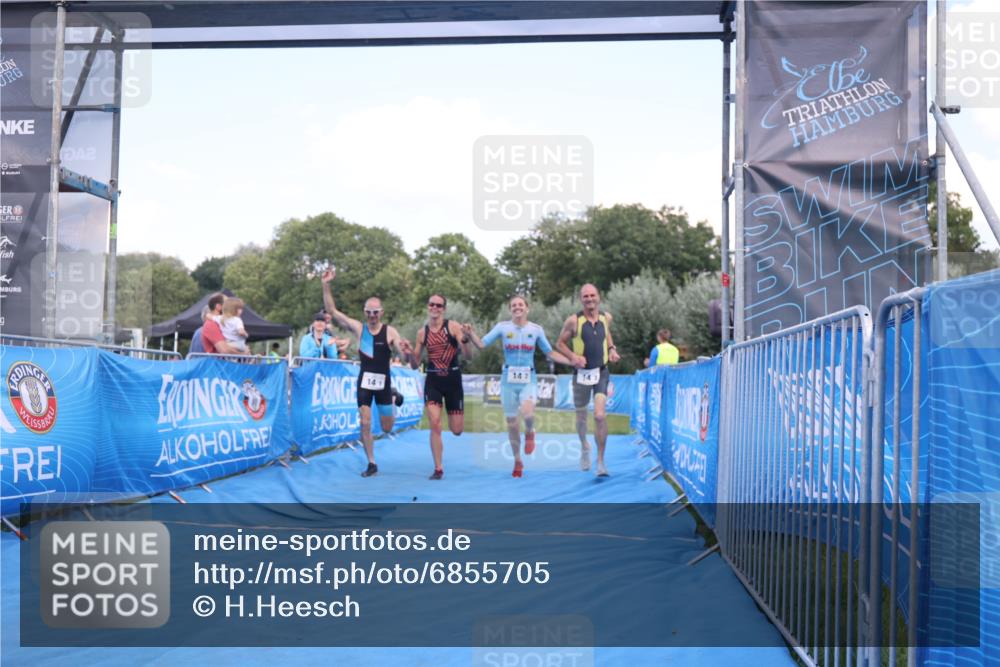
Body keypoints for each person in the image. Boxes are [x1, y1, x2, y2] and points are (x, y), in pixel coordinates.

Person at [465, 294, 573, 478]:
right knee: (512, 424)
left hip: (528, 378)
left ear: (527, 308)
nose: (517, 307)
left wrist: (572, 361)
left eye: (520, 304)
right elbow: (481, 344)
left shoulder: (536, 330)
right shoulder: (502, 327)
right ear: (510, 309)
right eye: (514, 305)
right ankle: (517, 460)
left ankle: (530, 432)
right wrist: (470, 334)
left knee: (528, 412)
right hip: (508, 379)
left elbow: (550, 353)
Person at [321, 268, 406, 477]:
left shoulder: (390, 332)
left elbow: (404, 357)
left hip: (384, 383)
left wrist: (406, 352)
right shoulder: (360, 329)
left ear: (382, 313)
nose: (372, 315)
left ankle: (393, 396)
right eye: (368, 312)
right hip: (365, 382)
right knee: (365, 421)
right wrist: (326, 284)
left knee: (387, 428)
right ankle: (371, 463)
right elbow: (332, 310)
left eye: (375, 312)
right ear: (364, 312)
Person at [399, 294, 472, 480]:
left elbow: (468, 356)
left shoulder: (453, 326)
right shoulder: (422, 333)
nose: (435, 308)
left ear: (444, 309)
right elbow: (415, 365)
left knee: (457, 430)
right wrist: (408, 354)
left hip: (453, 380)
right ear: (428, 306)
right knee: (435, 423)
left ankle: (450, 425)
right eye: (432, 304)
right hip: (433, 382)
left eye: (439, 305)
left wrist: (465, 340)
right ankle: (438, 468)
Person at [556, 283, 621, 477]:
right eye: (586, 296)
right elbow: (559, 343)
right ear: (581, 299)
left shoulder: (606, 317)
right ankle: (585, 445)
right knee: (582, 417)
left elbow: (607, 333)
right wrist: (573, 357)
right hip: (582, 375)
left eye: (593, 295)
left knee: (600, 415)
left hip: (601, 372)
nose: (589, 299)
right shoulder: (573, 321)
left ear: (599, 297)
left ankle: (600, 462)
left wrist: (611, 349)